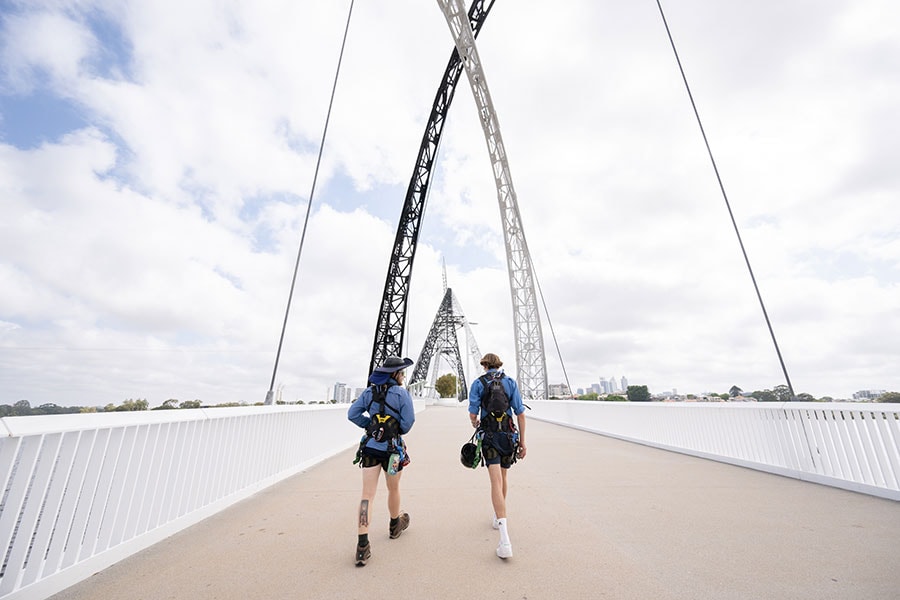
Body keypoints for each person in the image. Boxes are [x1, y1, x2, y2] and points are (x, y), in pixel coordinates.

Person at [347, 356, 416, 567]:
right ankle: (395, 525)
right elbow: (408, 422)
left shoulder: (369, 392)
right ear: (395, 374)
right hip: (393, 451)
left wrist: (371, 426)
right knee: (393, 488)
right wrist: (393, 431)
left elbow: (352, 414)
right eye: (402, 372)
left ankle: (362, 545)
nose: (404, 376)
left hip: (370, 448)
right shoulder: (402, 394)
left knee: (367, 495)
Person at [468, 352, 527, 559]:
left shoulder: (478, 384)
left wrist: (475, 422)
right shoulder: (510, 382)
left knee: (494, 481)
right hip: (508, 437)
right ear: (499, 365)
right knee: (503, 478)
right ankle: (497, 516)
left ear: (484, 365)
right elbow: (520, 413)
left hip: (490, 437)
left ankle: (504, 539)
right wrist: (523, 441)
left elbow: (473, 415)